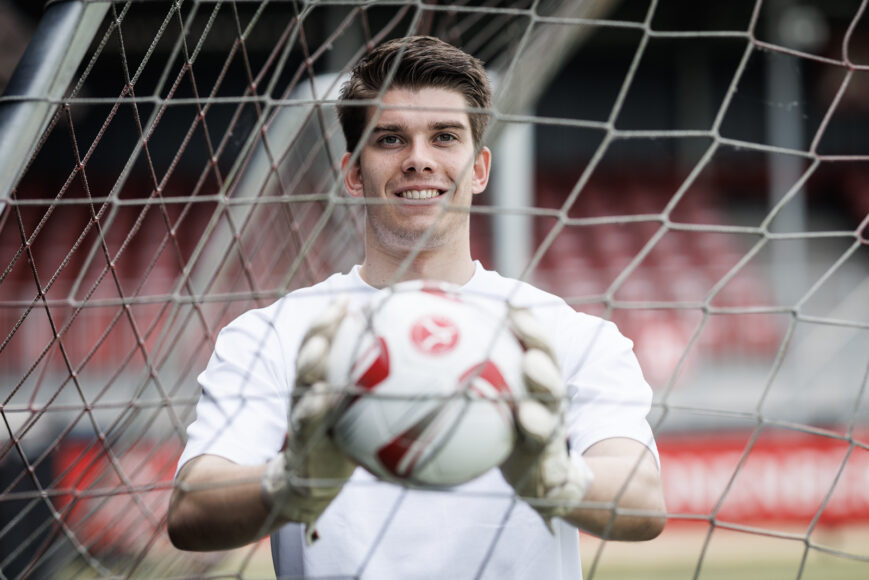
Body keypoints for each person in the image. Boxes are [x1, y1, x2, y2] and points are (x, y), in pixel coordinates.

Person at [167, 35, 666, 579]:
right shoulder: (275, 335)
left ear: (479, 168)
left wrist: (557, 478)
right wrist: (290, 482)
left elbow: (642, 499)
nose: (419, 160)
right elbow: (191, 510)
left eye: (445, 137)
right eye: (390, 139)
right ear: (354, 173)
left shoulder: (567, 335)